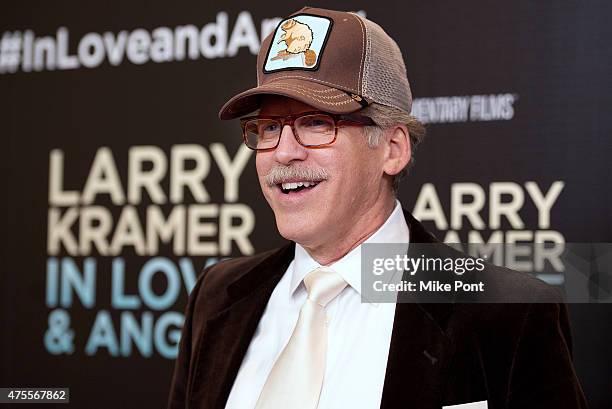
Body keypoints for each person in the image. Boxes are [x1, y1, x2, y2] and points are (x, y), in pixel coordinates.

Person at [168, 7, 587, 409]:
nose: (284, 152)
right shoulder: (216, 295)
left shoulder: (506, 314)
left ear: (392, 148)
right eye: (271, 127)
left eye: (317, 123)